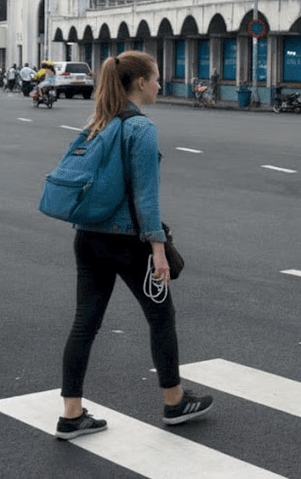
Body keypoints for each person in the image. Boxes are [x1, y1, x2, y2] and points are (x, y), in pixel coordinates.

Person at [56, 52, 213, 439]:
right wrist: (157, 250)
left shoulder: (99, 121)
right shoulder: (141, 129)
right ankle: (174, 401)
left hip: (88, 236)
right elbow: (146, 198)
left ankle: (71, 414)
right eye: (157, 78)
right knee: (161, 318)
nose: (160, 85)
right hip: (130, 242)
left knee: (84, 324)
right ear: (140, 82)